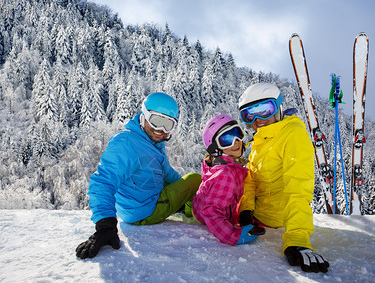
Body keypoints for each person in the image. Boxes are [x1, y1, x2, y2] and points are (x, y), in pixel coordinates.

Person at [76, 92, 201, 259]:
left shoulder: (152, 142)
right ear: (144, 116)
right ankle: (203, 211)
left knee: (185, 185)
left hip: (142, 200)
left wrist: (185, 192)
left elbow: (167, 173)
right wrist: (105, 225)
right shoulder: (127, 143)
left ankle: (189, 204)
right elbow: (103, 181)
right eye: (156, 121)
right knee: (195, 179)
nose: (160, 131)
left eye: (167, 125)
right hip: (145, 211)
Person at [237, 83, 330, 273]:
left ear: (278, 107)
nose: (258, 119)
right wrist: (246, 209)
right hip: (257, 216)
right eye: (249, 115)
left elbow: (298, 188)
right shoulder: (260, 140)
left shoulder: (292, 134)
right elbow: (251, 179)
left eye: (265, 110)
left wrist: (297, 239)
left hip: (276, 219)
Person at [192, 114, 265, 246]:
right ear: (215, 149)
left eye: (237, 134)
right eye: (227, 139)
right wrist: (235, 236)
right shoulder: (225, 174)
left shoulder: (224, 165)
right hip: (209, 217)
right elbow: (211, 212)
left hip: (203, 206)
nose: (236, 141)